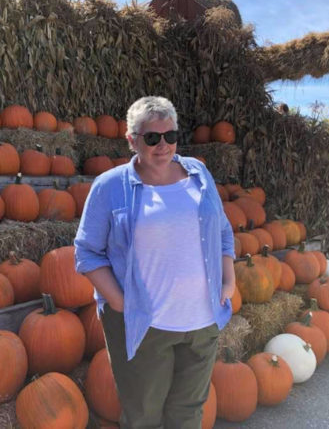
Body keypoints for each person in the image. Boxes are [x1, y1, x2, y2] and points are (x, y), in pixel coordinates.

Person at [74, 96, 235, 428]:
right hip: (144, 322)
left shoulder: (199, 174)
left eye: (170, 136)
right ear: (132, 140)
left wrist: (228, 279)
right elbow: (87, 252)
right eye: (152, 137)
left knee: (189, 411)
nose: (163, 145)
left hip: (202, 320)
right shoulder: (110, 186)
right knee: (143, 415)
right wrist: (120, 301)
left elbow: (222, 230)